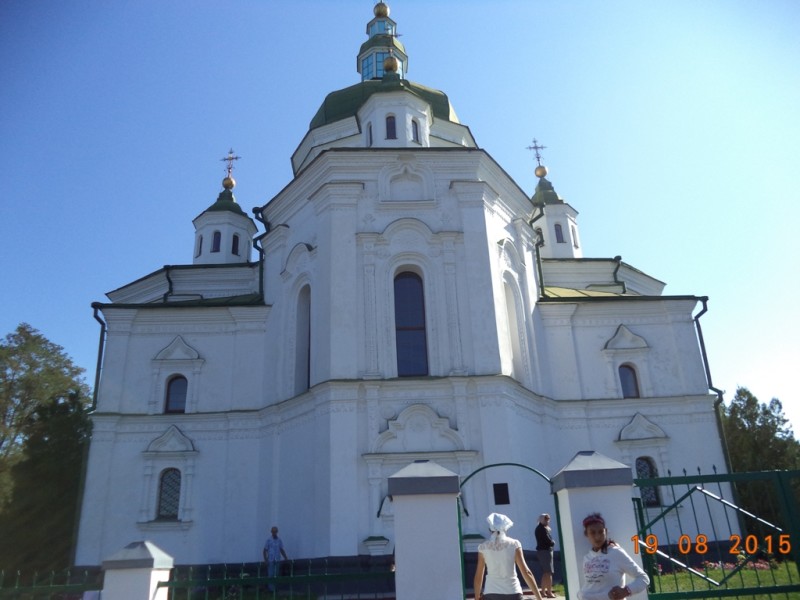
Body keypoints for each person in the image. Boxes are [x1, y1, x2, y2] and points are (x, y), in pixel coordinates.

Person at [577, 513, 649, 600]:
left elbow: (643, 578)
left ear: (606, 531)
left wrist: (626, 591)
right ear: (586, 534)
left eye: (601, 532)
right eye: (592, 532)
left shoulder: (616, 552)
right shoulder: (587, 558)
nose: (597, 537)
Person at [473, 512, 544, 600]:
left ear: (490, 529)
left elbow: (479, 575)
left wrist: (477, 597)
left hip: (491, 592)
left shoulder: (483, 547)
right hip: (513, 592)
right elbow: (526, 572)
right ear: (505, 528)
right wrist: (539, 598)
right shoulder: (514, 544)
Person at [535, 513, 556, 598]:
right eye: (546, 519)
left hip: (542, 551)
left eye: (548, 519)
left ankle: (543, 592)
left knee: (545, 573)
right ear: (541, 520)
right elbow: (549, 541)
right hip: (545, 552)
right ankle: (549, 592)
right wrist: (553, 542)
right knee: (549, 573)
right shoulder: (542, 529)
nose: (547, 521)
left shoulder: (540, 528)